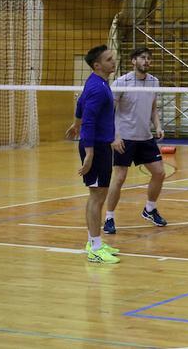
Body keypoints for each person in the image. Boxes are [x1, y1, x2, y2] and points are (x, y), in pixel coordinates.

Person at [103, 47, 168, 235]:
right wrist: (114, 136)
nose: (146, 61)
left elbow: (153, 108)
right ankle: (109, 217)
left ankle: (149, 209)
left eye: (149, 58)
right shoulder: (122, 82)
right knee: (120, 178)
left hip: (145, 137)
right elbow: (110, 112)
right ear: (133, 61)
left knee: (159, 173)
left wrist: (158, 126)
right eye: (142, 58)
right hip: (124, 138)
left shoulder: (154, 82)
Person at [65, 44, 121, 263]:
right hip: (95, 147)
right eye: (108, 59)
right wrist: (88, 153)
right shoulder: (98, 88)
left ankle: (93, 241)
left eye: (113, 58)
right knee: (96, 197)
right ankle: (95, 248)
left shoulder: (98, 82)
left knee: (99, 195)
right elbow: (88, 120)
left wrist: (75, 124)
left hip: (100, 146)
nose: (113, 62)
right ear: (97, 65)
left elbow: (80, 105)